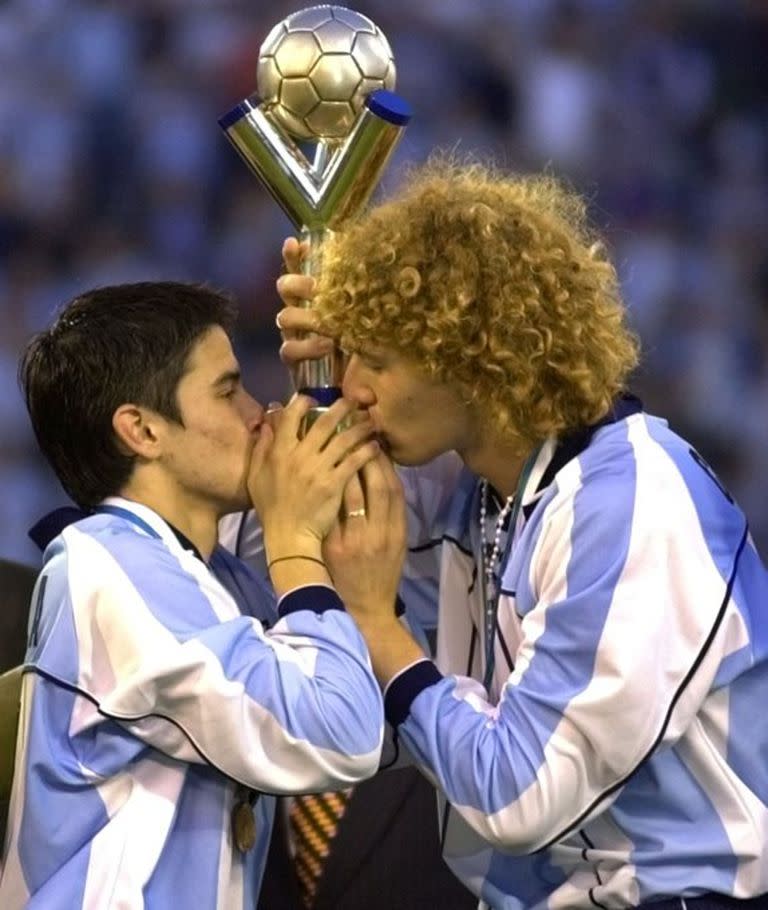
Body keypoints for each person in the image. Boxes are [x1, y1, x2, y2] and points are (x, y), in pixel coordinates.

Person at [267, 158, 768, 909]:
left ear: (474, 362)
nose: (360, 386)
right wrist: (318, 395)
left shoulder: (634, 504)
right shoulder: (483, 487)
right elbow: (271, 548)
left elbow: (521, 796)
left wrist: (377, 624)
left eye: (377, 359)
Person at [0, 281, 406, 908]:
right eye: (228, 390)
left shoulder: (213, 573)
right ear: (142, 430)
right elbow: (337, 736)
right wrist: (295, 542)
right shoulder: (106, 566)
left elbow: (380, 728)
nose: (260, 413)